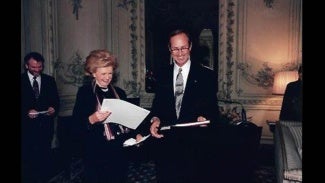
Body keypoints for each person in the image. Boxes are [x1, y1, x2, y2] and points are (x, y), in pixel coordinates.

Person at [140, 29, 220, 183]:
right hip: (166, 143)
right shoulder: (162, 74)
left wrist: (205, 118)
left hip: (195, 144)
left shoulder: (206, 75)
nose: (180, 53)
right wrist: (155, 119)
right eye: (175, 48)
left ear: (190, 47)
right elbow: (157, 106)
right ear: (170, 49)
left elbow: (213, 110)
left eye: (183, 47)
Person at [72, 49, 137, 183]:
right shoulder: (85, 93)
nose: (107, 77)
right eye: (103, 73)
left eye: (110, 73)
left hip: (118, 150)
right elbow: (76, 125)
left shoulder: (120, 93)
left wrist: (136, 135)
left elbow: (127, 121)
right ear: (93, 73)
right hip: (95, 151)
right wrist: (92, 119)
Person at [21, 52, 60, 183]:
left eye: (40, 67)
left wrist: (52, 109)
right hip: (26, 129)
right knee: (28, 160)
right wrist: (26, 112)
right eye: (33, 67)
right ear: (26, 66)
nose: (37, 70)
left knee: (44, 159)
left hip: (45, 128)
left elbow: (56, 102)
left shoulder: (50, 80)